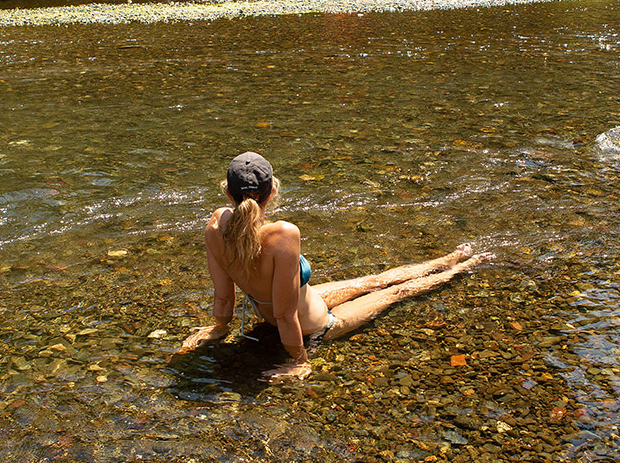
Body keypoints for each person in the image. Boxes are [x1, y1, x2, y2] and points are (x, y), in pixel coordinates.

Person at [178, 152, 489, 380]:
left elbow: (224, 296)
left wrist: (219, 328)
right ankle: (461, 266)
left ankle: (447, 260)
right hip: (317, 324)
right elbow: (286, 317)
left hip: (298, 302)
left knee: (373, 281)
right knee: (397, 291)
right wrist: (301, 361)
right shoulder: (283, 234)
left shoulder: (215, 226)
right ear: (272, 192)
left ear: (228, 193)